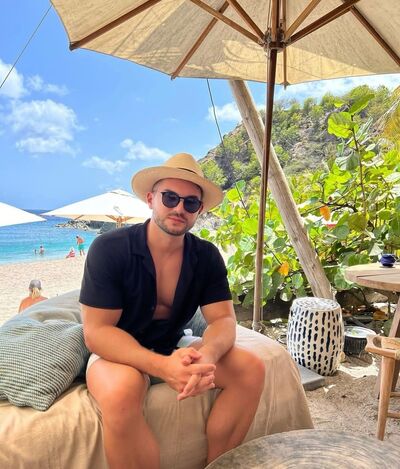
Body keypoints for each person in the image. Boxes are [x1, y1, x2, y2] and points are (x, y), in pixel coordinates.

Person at [80, 153, 265, 469]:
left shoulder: (206, 257)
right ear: (151, 199)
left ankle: (218, 465)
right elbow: (97, 332)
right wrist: (162, 367)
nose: (179, 208)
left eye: (190, 203)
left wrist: (207, 356)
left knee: (251, 370)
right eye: (170, 198)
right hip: (118, 350)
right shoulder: (109, 249)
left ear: (199, 210)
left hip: (173, 342)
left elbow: (223, 319)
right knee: (122, 393)